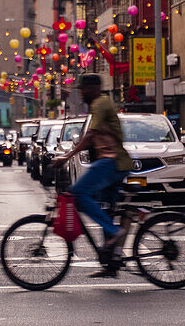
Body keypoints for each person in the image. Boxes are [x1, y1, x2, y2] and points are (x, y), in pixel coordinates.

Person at [51, 74, 130, 277]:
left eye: (83, 89)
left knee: (78, 194)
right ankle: (111, 263)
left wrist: (66, 157)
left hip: (111, 161)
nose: (81, 92)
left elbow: (90, 136)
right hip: (112, 161)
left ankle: (114, 232)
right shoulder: (101, 104)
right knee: (106, 208)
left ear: (94, 88)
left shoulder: (100, 104)